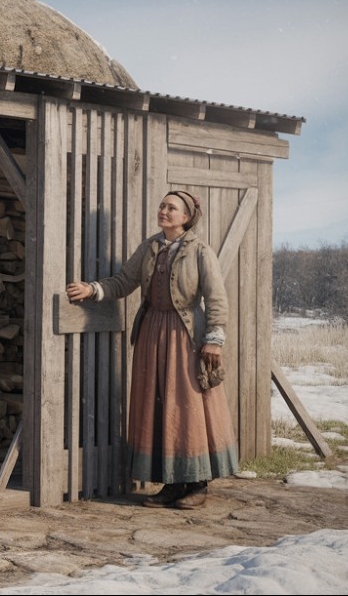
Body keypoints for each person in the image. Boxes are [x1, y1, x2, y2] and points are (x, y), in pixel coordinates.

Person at [65, 190, 238, 509]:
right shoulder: (150, 247)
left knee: (185, 405)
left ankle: (197, 484)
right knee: (157, 405)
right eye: (162, 206)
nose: (164, 211)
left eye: (171, 208)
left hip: (185, 334)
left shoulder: (200, 250)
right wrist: (92, 289)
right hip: (151, 334)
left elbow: (216, 297)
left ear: (185, 217)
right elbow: (123, 282)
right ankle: (170, 484)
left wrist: (214, 339)